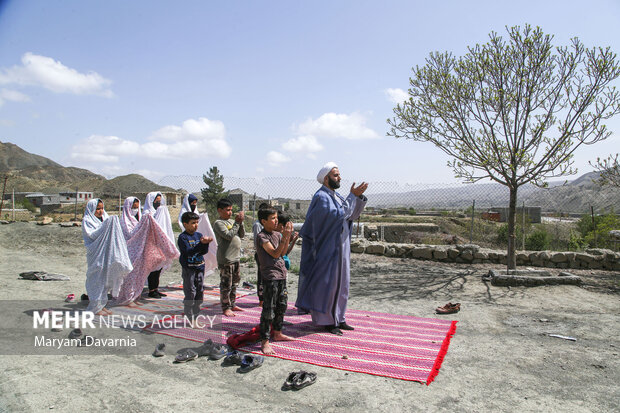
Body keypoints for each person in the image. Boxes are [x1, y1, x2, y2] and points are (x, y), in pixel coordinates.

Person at [295, 162, 368, 335]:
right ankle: (327, 320)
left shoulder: (337, 196)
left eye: (339, 174)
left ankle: (339, 318)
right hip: (327, 247)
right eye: (335, 175)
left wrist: (356, 198)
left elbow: (350, 214)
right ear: (326, 178)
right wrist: (352, 196)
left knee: (342, 283)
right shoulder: (321, 197)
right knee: (329, 284)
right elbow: (336, 215)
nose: (339, 177)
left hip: (341, 246)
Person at [116, 196, 179, 306]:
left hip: (139, 251)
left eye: (137, 208)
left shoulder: (139, 218)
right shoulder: (124, 221)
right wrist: (144, 222)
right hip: (129, 252)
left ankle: (134, 296)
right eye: (133, 208)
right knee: (129, 276)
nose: (135, 210)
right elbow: (131, 234)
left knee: (138, 275)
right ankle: (127, 298)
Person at [82, 198, 133, 315]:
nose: (100, 211)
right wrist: (107, 224)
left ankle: (101, 305)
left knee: (105, 279)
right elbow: (92, 235)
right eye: (97, 209)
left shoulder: (105, 218)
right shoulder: (87, 220)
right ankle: (95, 307)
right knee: (96, 279)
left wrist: (108, 222)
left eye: (101, 208)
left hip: (106, 254)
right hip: (96, 254)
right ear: (91, 209)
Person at [256, 207, 295, 354]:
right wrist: (285, 237)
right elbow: (274, 253)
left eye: (276, 218)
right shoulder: (262, 237)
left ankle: (277, 332)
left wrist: (287, 237)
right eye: (272, 218)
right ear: (263, 221)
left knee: (282, 305)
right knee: (268, 309)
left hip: (281, 275)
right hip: (270, 276)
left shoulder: (277, 234)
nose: (276, 220)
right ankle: (264, 340)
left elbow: (283, 253)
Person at [178, 211, 213, 328]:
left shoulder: (198, 235)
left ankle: (196, 316)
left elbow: (203, 252)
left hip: (200, 267)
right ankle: (189, 316)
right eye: (193, 223)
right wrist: (200, 244)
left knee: (199, 292)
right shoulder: (183, 237)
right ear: (185, 224)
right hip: (189, 269)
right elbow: (188, 252)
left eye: (197, 222)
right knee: (190, 292)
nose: (196, 225)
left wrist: (206, 244)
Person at [213, 198, 245, 317]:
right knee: (226, 284)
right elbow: (229, 235)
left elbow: (241, 235)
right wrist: (237, 223)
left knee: (235, 283)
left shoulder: (232, 222)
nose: (230, 212)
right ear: (220, 210)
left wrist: (240, 223)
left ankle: (232, 304)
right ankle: (225, 307)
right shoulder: (218, 223)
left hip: (236, 258)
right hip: (226, 259)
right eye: (227, 210)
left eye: (231, 210)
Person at [142, 192, 177, 298]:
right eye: (156, 201)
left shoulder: (160, 212)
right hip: (151, 245)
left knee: (159, 268)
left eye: (159, 201)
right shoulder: (147, 214)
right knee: (153, 269)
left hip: (160, 244)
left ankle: (155, 289)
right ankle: (151, 290)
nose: (158, 203)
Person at [178, 193, 218, 276]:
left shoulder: (199, 235)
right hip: (189, 242)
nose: (194, 205)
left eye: (195, 203)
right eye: (192, 203)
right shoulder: (184, 214)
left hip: (196, 241)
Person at [252, 202, 270, 306]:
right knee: (262, 276)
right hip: (261, 254)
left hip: (268, 253)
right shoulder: (258, 224)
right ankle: (261, 298)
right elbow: (257, 241)